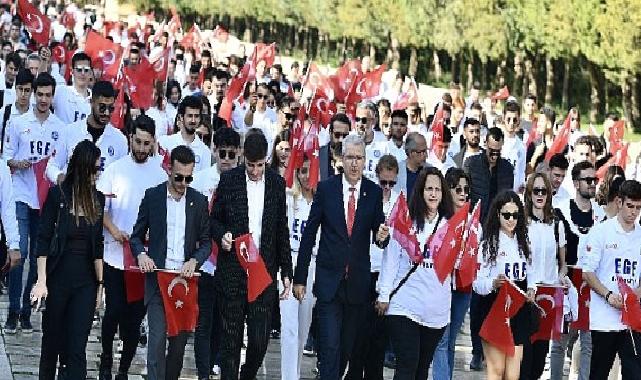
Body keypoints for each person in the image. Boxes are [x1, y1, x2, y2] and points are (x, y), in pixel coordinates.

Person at [293, 134, 390, 380]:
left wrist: (382, 236)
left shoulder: (373, 192)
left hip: (357, 287)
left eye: (359, 158)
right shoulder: (326, 189)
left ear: (365, 160)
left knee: (345, 351)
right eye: (349, 158)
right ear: (341, 159)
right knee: (330, 349)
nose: (354, 163)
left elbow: (380, 237)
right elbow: (309, 234)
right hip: (328, 285)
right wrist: (300, 277)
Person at [210, 130, 293, 380]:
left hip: (262, 272)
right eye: (250, 165)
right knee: (230, 343)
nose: (255, 171)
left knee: (259, 341)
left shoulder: (277, 185)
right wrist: (222, 235)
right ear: (242, 157)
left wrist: (287, 271)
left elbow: (281, 230)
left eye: (259, 165)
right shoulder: (229, 180)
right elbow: (213, 221)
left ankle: (247, 375)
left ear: (266, 160)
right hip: (233, 271)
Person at [130, 145, 212, 380]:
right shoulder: (153, 197)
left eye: (188, 178)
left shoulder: (198, 201)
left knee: (177, 347)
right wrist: (142, 255)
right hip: (158, 278)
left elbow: (206, 242)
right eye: (178, 177)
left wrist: (195, 261)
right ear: (168, 169)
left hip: (184, 283)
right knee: (156, 342)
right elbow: (136, 236)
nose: (183, 183)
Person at [96, 115, 167, 380]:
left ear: (152, 144)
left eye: (146, 143)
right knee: (113, 311)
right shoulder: (115, 170)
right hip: (115, 256)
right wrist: (114, 231)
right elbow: (99, 208)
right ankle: (105, 359)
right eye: (137, 141)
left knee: (134, 319)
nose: (140, 147)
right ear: (130, 139)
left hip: (143, 260)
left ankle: (124, 368)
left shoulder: (160, 174)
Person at [31, 140, 105, 379]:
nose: (98, 173)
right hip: (58, 278)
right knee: (51, 343)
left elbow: (98, 248)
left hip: (85, 282)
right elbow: (43, 238)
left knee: (77, 348)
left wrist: (100, 288)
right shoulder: (58, 194)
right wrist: (41, 280)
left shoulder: (98, 199)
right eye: (95, 168)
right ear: (82, 168)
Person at [377, 166, 454, 380]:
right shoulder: (406, 220)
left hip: (435, 310)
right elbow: (391, 258)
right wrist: (384, 295)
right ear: (420, 192)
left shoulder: (451, 226)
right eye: (428, 188)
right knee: (407, 364)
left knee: (421, 369)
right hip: (405, 304)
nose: (433, 193)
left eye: (437, 189)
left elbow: (456, 265)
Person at [4, 72, 66, 334]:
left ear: (53, 97)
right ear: (31, 94)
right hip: (21, 193)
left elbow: (60, 164)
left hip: (44, 199)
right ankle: (13, 310)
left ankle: (28, 309)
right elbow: (6, 158)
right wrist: (20, 163)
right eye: (38, 94)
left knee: (39, 254)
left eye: (47, 95)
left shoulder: (59, 127)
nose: (42, 99)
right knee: (21, 252)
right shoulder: (18, 123)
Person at [190, 127, 241, 380]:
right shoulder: (200, 180)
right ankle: (202, 373)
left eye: (232, 154)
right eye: (222, 153)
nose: (227, 159)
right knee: (203, 323)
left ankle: (214, 365)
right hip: (204, 261)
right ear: (213, 150)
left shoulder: (243, 183)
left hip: (230, 263)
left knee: (223, 322)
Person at [347, 154, 400, 380]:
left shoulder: (400, 203)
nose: (387, 187)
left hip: (384, 275)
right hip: (364, 271)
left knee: (378, 339)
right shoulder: (368, 196)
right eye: (383, 182)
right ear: (376, 176)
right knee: (358, 334)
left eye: (391, 183)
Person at [550, 161, 604, 380]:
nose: (592, 184)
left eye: (595, 180)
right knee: (559, 341)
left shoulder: (600, 215)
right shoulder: (560, 210)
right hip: (566, 279)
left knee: (588, 342)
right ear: (576, 183)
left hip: (590, 280)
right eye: (588, 180)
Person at [473, 191, 535, 380]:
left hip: (518, 308)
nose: (511, 220)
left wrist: (532, 289)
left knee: (513, 374)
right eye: (506, 215)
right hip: (494, 308)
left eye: (515, 215)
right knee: (496, 370)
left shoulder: (524, 242)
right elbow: (477, 282)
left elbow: (531, 273)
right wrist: (493, 283)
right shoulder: (488, 244)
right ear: (497, 215)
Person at [583, 180, 641, 379]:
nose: (634, 212)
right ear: (619, 202)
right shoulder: (601, 232)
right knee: (599, 373)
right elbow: (588, 272)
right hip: (605, 318)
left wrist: (634, 296)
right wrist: (608, 295)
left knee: (634, 373)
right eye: (630, 206)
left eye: (638, 207)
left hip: (631, 319)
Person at [519, 173, 568, 380]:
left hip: (548, 300)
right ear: (529, 193)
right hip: (525, 298)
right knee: (524, 361)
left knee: (539, 362)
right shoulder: (521, 223)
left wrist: (562, 277)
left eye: (544, 190)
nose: (540, 194)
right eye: (535, 190)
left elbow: (563, 264)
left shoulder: (557, 224)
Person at [432, 167, 473, 380]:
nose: (463, 194)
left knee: (450, 340)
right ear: (448, 190)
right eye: (458, 189)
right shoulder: (440, 220)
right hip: (442, 285)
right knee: (441, 339)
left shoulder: (473, 222)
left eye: (466, 189)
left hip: (463, 288)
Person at [280, 156, 318, 380]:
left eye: (309, 171)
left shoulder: (320, 202)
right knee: (290, 328)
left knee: (303, 327)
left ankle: (293, 372)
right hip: (289, 261)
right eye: (302, 171)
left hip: (312, 264)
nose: (305, 176)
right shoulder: (288, 199)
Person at [47, 80, 128, 183]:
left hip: (102, 197)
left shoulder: (120, 140)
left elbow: (122, 178)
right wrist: (61, 179)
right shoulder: (69, 132)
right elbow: (52, 166)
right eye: (102, 107)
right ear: (91, 103)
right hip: (72, 195)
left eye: (111, 108)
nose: (106, 112)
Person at [158, 95, 212, 172]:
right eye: (190, 116)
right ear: (181, 117)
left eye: (196, 116)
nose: (193, 120)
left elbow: (203, 181)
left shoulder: (205, 152)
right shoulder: (165, 143)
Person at [0, 68, 33, 157]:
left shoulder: (35, 115)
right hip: (6, 167)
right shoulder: (4, 113)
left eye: (26, 90)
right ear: (15, 88)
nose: (23, 94)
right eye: (20, 89)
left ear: (32, 91)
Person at [52, 52, 92, 123]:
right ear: (72, 71)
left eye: (86, 70)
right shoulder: (60, 92)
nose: (82, 73)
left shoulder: (95, 99)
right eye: (79, 70)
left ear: (90, 73)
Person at [500, 101, 527, 192]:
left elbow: (521, 172)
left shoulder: (521, 146)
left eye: (515, 120)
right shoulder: (496, 140)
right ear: (503, 118)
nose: (511, 123)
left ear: (519, 120)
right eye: (508, 119)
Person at [396, 132, 427, 198]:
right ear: (410, 153)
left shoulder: (430, 170)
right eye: (421, 152)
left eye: (425, 151)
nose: (425, 155)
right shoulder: (397, 171)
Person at [320, 113, 350, 181]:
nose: (341, 139)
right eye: (337, 135)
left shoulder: (354, 157)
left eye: (345, 136)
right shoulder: (318, 155)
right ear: (330, 133)